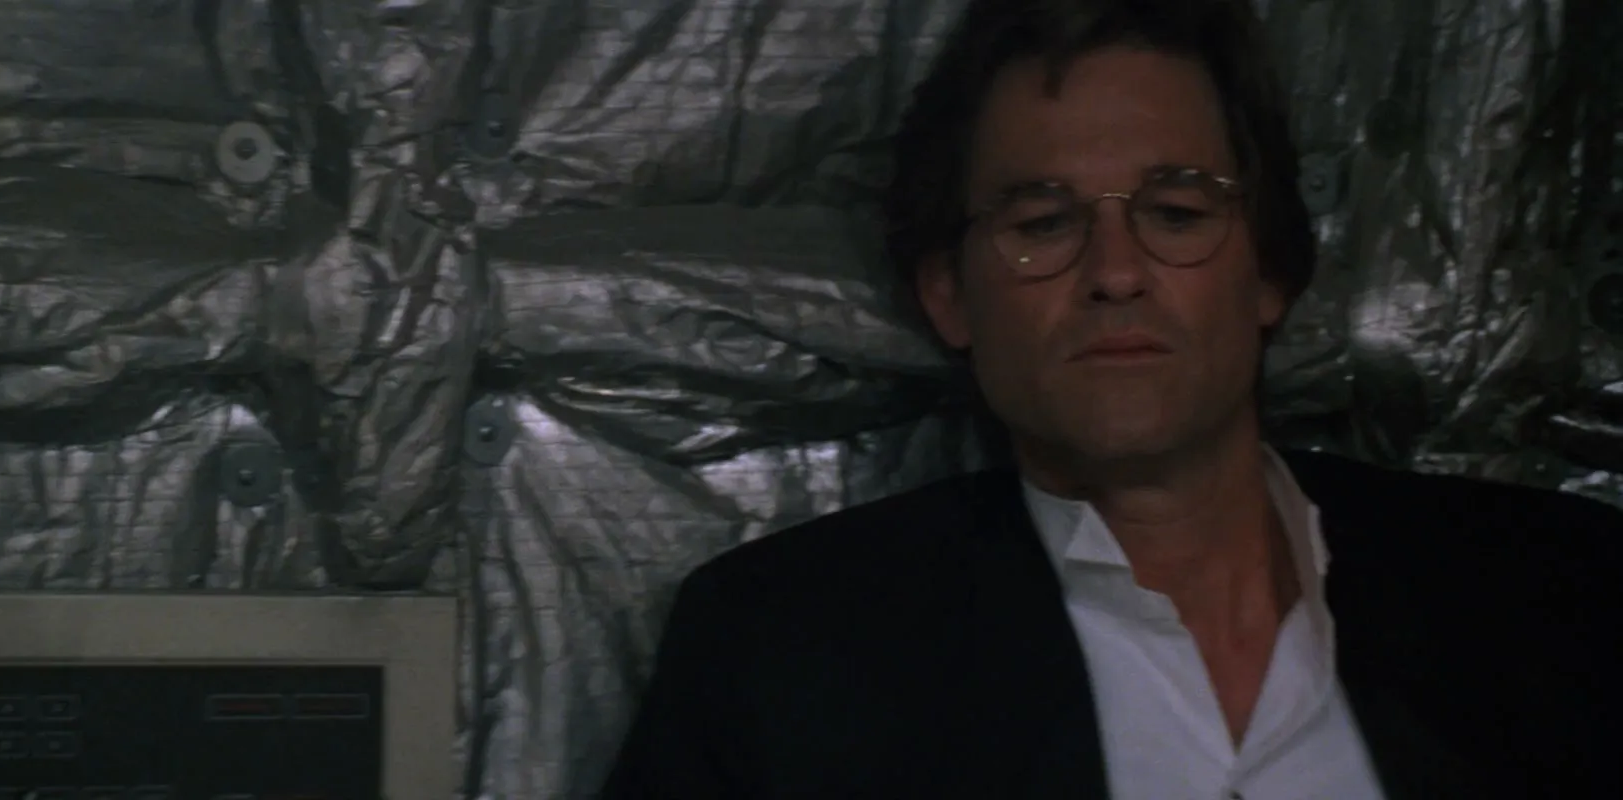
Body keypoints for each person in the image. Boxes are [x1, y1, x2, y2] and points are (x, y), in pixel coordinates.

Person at [599, 0, 1623, 797]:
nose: (1116, 271)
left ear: (1268, 269)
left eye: (1176, 212)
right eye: (1042, 223)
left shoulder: (1562, 593)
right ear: (949, 294)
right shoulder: (781, 656)